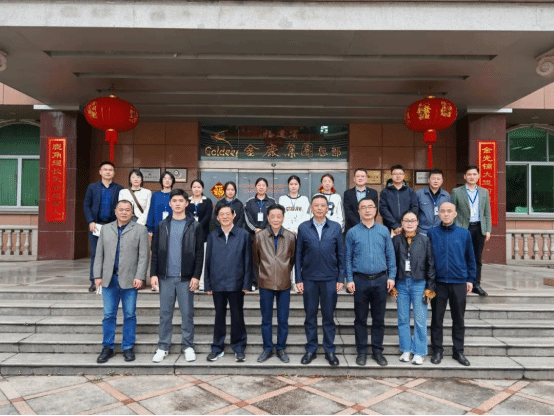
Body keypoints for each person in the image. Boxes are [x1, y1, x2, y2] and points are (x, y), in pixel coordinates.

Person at [150, 189, 204, 364]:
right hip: (165, 277)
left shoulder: (194, 226)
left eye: (181, 200)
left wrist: (196, 276)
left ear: (187, 203)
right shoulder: (162, 225)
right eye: (174, 201)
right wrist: (153, 274)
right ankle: (163, 346)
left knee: (187, 313)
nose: (178, 203)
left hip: (185, 278)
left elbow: (199, 253)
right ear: (170, 203)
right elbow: (155, 251)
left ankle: (188, 346)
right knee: (165, 314)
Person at [94, 200, 149, 364]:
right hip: (109, 279)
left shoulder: (140, 229)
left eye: (127, 210)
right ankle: (107, 347)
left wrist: (140, 276)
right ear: (115, 211)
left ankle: (128, 347)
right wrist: (97, 275)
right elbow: (99, 254)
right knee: (108, 315)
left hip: (130, 280)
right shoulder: (105, 229)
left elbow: (144, 256)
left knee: (130, 315)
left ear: (132, 213)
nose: (124, 212)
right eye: (121, 209)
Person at [345, 197, 396, 367]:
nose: (367, 210)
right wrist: (349, 279)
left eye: (370, 207)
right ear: (358, 211)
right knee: (360, 319)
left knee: (378, 319)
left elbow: (390, 255)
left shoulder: (383, 231)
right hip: (360, 280)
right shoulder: (352, 232)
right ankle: (361, 352)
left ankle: (377, 351)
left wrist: (391, 276)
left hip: (380, 280)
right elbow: (348, 258)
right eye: (363, 207)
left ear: (375, 210)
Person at [296, 195, 345, 367]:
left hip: (330, 278)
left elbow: (341, 254)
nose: (319, 208)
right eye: (316, 205)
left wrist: (341, 277)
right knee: (310, 316)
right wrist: (298, 278)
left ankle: (329, 350)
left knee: (328, 317)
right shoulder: (303, 228)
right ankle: (311, 349)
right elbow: (298, 255)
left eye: (322, 205)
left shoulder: (335, 227)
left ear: (327, 208)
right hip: (309, 279)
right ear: (311, 208)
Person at [427, 202, 476, 367]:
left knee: (459, 319)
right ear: (438, 214)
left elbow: (471, 258)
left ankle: (458, 351)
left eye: (449, 211)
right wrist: (429, 283)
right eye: (443, 211)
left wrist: (470, 279)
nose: (446, 214)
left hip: (459, 282)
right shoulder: (432, 233)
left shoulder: (464, 233)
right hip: (438, 283)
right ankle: (437, 351)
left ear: (455, 214)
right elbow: (428, 259)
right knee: (437, 319)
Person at [205, 205, 254, 363]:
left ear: (234, 215)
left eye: (228, 214)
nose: (225, 217)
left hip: (236, 284)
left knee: (237, 316)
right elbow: (208, 261)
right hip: (217, 283)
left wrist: (247, 283)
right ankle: (217, 348)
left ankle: (239, 348)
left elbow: (248, 260)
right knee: (219, 316)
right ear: (217, 218)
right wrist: (207, 284)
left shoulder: (243, 235)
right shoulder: (213, 236)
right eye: (222, 214)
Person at [253, 204, 296, 364]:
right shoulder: (260, 236)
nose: (276, 219)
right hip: (265, 282)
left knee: (283, 320)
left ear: (283, 218)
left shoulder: (291, 237)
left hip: (284, 284)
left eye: (279, 216)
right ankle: (267, 348)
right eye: (273, 216)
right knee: (266, 319)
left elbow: (292, 259)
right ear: (268, 218)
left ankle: (281, 348)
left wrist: (284, 271)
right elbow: (256, 259)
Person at [392, 211, 436, 366]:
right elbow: (391, 262)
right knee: (403, 318)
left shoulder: (425, 240)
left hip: (419, 283)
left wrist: (430, 288)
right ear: (402, 223)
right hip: (401, 283)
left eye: (412, 220)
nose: (409, 223)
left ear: (417, 222)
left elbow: (431, 264)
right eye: (406, 220)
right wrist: (392, 284)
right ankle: (406, 349)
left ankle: (419, 352)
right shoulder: (396, 240)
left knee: (420, 319)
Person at [451, 166, 492, 297]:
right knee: (461, 256)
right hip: (463, 228)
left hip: (479, 228)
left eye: (474, 174)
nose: (472, 177)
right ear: (465, 176)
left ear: (478, 176)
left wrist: (488, 230)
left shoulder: (484, 192)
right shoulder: (456, 192)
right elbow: (452, 211)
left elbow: (487, 212)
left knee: (477, 258)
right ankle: (462, 283)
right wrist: (453, 229)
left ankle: (476, 284)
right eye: (469, 174)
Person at [84, 161, 124, 293]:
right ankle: (94, 281)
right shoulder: (93, 187)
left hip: (112, 226)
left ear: (114, 172)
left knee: (113, 254)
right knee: (96, 254)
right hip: (96, 225)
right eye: (105, 169)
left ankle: (111, 280)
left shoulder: (119, 189)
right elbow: (86, 205)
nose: (108, 172)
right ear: (100, 172)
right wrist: (90, 221)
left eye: (110, 170)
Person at [279, 175, 310, 292]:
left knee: (299, 257)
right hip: (286, 233)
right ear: (288, 185)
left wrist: (296, 230)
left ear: (299, 185)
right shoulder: (282, 199)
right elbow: (281, 216)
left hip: (300, 233)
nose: (293, 186)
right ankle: (288, 282)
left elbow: (306, 216)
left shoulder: (304, 200)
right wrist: (289, 230)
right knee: (287, 258)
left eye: (295, 184)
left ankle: (298, 282)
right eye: (291, 184)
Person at [186, 179, 214, 291]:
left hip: (203, 235)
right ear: (191, 188)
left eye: (199, 187)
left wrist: (197, 227)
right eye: (194, 187)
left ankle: (201, 282)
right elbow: (185, 215)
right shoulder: (187, 201)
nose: (196, 189)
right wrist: (191, 227)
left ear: (202, 189)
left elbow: (207, 217)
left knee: (202, 259)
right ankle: (190, 281)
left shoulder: (207, 201)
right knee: (190, 259)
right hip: (188, 235)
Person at [379, 165, 419, 236]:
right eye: (395, 174)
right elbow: (383, 209)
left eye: (400, 174)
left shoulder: (410, 191)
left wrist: (406, 223)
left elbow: (415, 208)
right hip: (390, 228)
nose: (398, 176)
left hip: (408, 227)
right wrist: (395, 225)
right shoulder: (385, 192)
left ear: (404, 175)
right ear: (391, 175)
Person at [416, 169, 451, 236]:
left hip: (440, 231)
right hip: (423, 231)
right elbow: (414, 212)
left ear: (442, 181)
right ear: (428, 180)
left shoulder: (446, 196)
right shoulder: (419, 194)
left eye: (438, 179)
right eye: (433, 178)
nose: (436, 181)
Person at [344, 168, 379, 234]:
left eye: (362, 176)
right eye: (358, 176)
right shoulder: (347, 193)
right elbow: (348, 211)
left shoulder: (373, 193)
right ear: (354, 179)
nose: (360, 178)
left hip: (369, 227)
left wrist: (367, 223)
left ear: (366, 178)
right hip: (352, 227)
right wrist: (359, 225)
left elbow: (375, 209)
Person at [146, 171, 175, 237]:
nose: (167, 180)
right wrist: (150, 228)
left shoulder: (175, 194)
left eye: (169, 179)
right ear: (161, 181)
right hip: (157, 228)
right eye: (164, 178)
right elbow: (151, 211)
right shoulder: (155, 195)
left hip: (173, 228)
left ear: (172, 181)